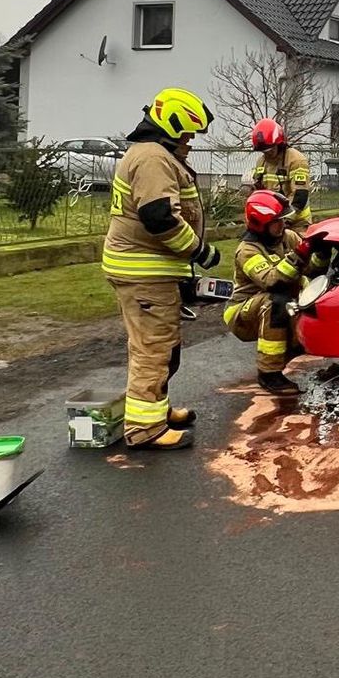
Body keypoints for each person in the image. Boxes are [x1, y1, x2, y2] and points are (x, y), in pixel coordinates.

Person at [102, 87, 220, 450]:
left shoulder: (153, 154)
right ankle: (144, 429)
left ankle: (155, 409)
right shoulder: (153, 158)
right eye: (186, 134)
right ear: (170, 127)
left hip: (151, 270)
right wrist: (199, 251)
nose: (189, 141)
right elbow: (159, 218)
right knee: (153, 348)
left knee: (163, 345)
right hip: (144, 272)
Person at [224, 191, 324, 393]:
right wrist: (299, 254)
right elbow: (272, 281)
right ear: (260, 222)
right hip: (242, 312)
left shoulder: (287, 237)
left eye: (283, 220)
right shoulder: (247, 250)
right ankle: (269, 374)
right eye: (277, 221)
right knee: (274, 301)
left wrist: (321, 252)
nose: (283, 225)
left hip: (280, 300)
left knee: (308, 295)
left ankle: (293, 350)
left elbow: (312, 271)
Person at [249, 117, 313, 230]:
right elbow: (260, 190)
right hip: (271, 222)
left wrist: (284, 219)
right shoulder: (261, 161)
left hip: (297, 222)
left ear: (279, 144)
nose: (267, 154)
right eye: (263, 151)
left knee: (294, 246)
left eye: (270, 150)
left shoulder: (296, 160)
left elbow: (300, 195)